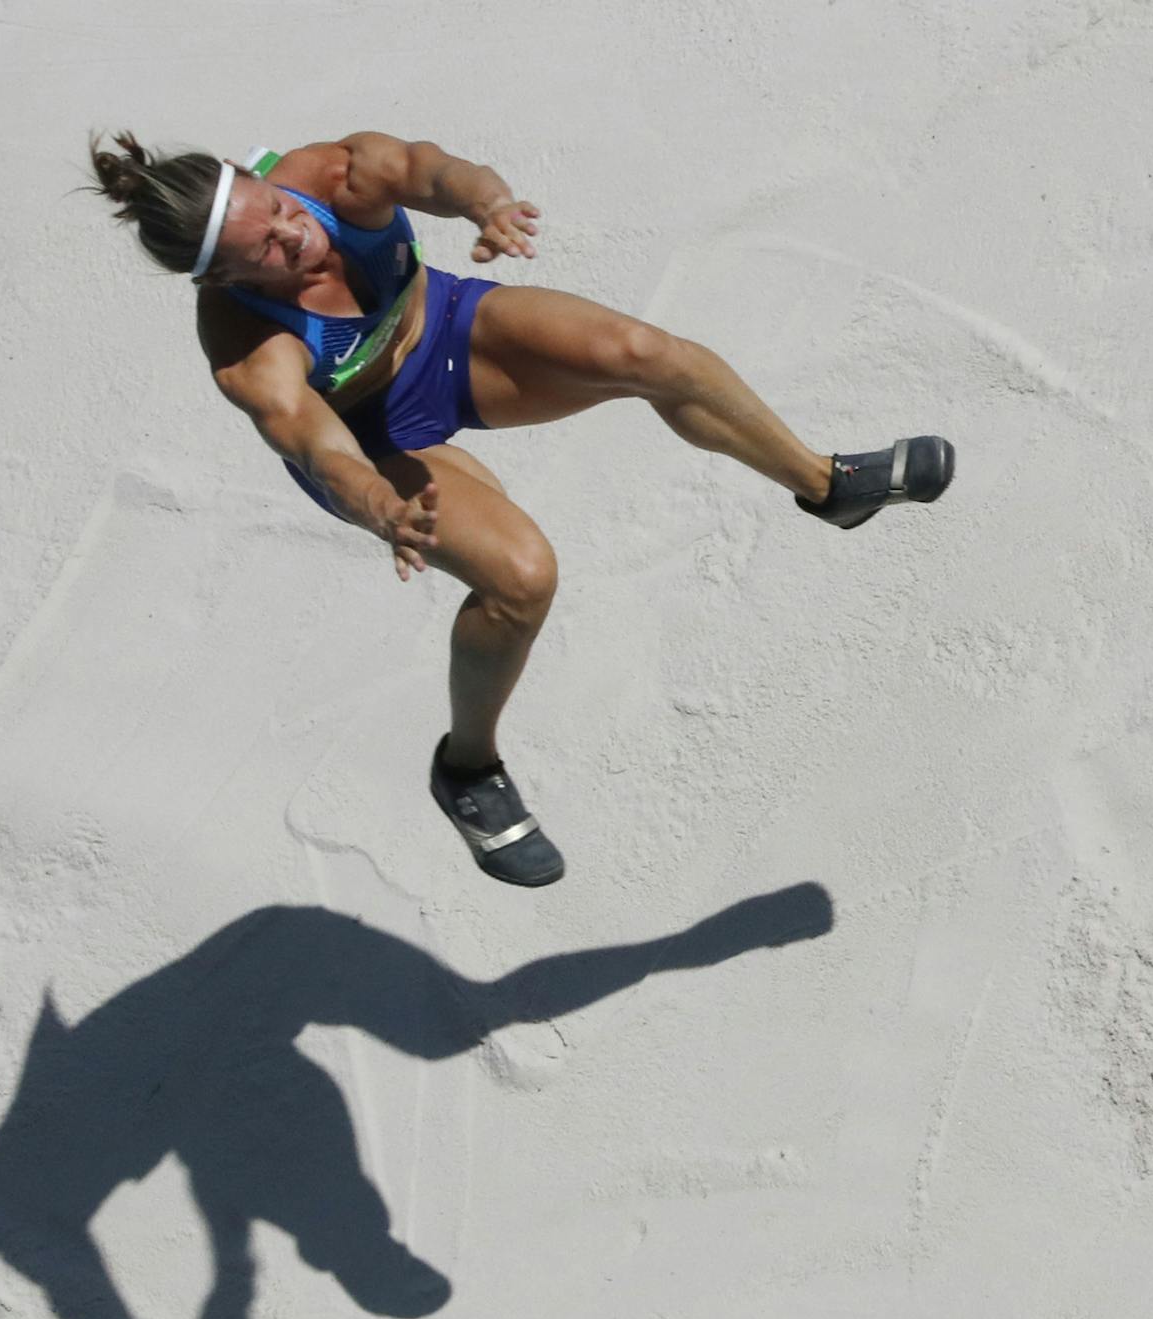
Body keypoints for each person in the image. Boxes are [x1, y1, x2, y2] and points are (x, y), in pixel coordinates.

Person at [88, 130, 954, 887]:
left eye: (278, 207)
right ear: (224, 280)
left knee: (648, 353)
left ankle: (827, 484)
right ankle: (468, 769)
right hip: (377, 444)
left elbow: (434, 168)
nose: (295, 234)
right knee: (522, 577)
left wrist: (487, 205)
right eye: (268, 253)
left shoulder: (335, 175)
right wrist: (382, 509)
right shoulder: (247, 350)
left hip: (454, 334)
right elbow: (318, 446)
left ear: (263, 174)